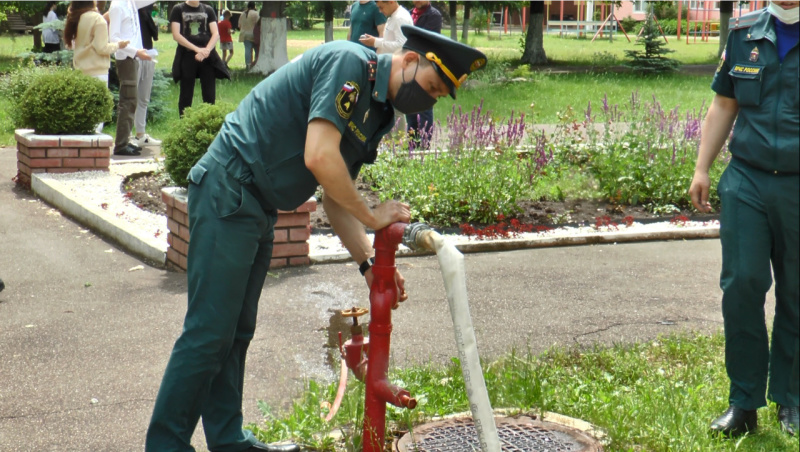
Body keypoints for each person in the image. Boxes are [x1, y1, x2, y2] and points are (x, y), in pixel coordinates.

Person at [145, 25, 487, 452]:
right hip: (228, 188)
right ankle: (166, 445)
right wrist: (374, 216)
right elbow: (319, 156)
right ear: (411, 60)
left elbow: (335, 194)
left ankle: (229, 440)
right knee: (209, 332)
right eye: (433, 87)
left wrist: (369, 265)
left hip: (256, 206)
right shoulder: (349, 66)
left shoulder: (379, 113)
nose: (430, 100)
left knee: (234, 332)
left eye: (437, 96)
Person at [689, 0, 799, 439]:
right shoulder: (744, 34)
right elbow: (723, 104)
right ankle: (744, 401)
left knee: (797, 291)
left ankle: (792, 399)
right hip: (747, 180)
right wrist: (702, 167)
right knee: (742, 285)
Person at [64, 0, 128, 134]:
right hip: (97, 69)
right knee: (98, 112)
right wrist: (118, 45)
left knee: (84, 110)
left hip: (81, 68)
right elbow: (102, 47)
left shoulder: (77, 17)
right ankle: (94, 144)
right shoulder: (98, 19)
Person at [170, 0, 230, 117]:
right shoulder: (178, 9)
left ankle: (209, 121)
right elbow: (176, 35)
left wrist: (206, 50)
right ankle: (185, 123)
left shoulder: (208, 9)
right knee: (186, 93)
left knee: (209, 93)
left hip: (207, 57)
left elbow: (215, 34)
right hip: (187, 55)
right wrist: (197, 49)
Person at [108, 0, 153, 156]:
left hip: (134, 58)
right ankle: (120, 145)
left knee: (131, 100)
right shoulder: (117, 6)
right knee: (128, 101)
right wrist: (135, 51)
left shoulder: (131, 3)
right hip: (126, 59)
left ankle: (124, 141)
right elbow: (113, 38)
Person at [406, 1, 442, 148]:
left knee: (425, 107)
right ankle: (412, 145)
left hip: (426, 67)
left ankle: (424, 145)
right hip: (409, 67)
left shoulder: (433, 15)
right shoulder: (408, 14)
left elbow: (427, 40)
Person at [129, 2, 161, 148]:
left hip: (148, 53)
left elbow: (154, 34)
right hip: (134, 55)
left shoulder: (146, 10)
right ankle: (128, 136)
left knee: (144, 97)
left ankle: (140, 134)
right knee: (130, 98)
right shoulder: (129, 8)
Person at [238, 1, 259, 69]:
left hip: (245, 34)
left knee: (248, 50)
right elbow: (258, 24)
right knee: (257, 50)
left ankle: (248, 65)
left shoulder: (243, 14)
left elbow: (239, 25)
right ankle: (256, 63)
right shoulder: (256, 13)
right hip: (254, 34)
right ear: (254, 6)